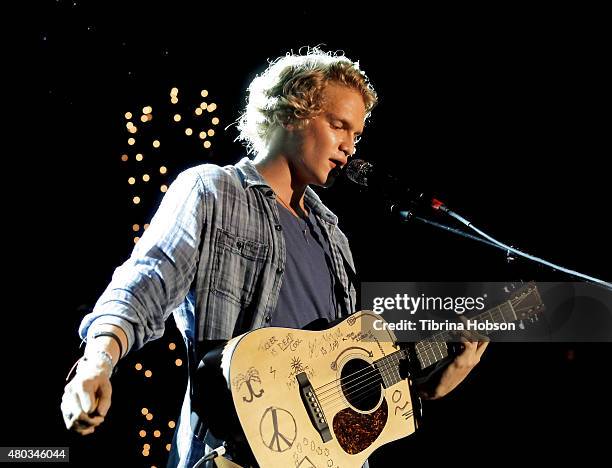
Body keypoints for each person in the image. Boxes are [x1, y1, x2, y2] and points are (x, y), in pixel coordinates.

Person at [61, 47, 489, 467]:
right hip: (231, 454)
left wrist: (427, 390)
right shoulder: (215, 192)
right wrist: (98, 359)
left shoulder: (334, 239)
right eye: (339, 126)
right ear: (290, 113)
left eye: (356, 135)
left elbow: (340, 384)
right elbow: (146, 283)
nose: (350, 148)